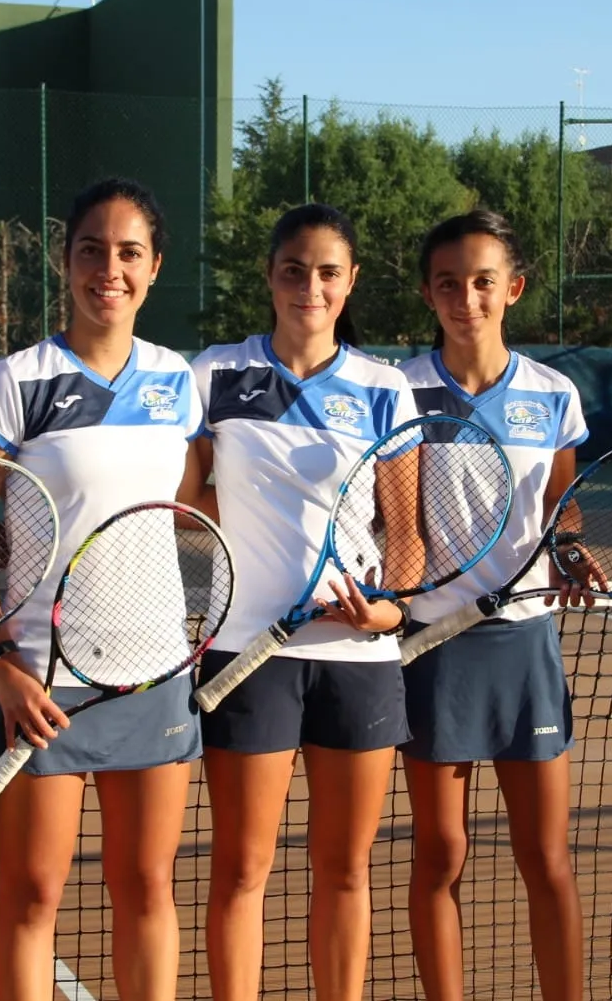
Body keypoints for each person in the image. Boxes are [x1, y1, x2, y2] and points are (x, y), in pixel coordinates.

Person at [0, 177, 206, 1001]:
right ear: (66, 263)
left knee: (145, 890)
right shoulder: (14, 381)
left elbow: (193, 508)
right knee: (30, 896)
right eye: (92, 250)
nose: (110, 267)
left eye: (129, 252)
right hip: (39, 682)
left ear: (154, 266)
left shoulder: (178, 382)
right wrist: (2, 662)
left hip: (154, 675)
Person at [191, 203, 416, 1001]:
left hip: (357, 661)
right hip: (248, 654)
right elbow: (188, 504)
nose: (309, 287)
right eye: (293, 270)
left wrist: (387, 611)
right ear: (269, 276)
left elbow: (406, 532)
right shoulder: (216, 373)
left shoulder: (385, 389)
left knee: (345, 869)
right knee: (242, 869)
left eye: (327, 273)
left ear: (349, 282)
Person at [398, 210, 593, 1001]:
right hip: (433, 645)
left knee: (544, 859)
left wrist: (572, 546)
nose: (465, 298)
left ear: (510, 289)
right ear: (427, 293)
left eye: (482, 281)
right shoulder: (398, 389)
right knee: (440, 855)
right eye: (448, 283)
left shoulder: (551, 394)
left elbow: (562, 504)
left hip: (523, 644)